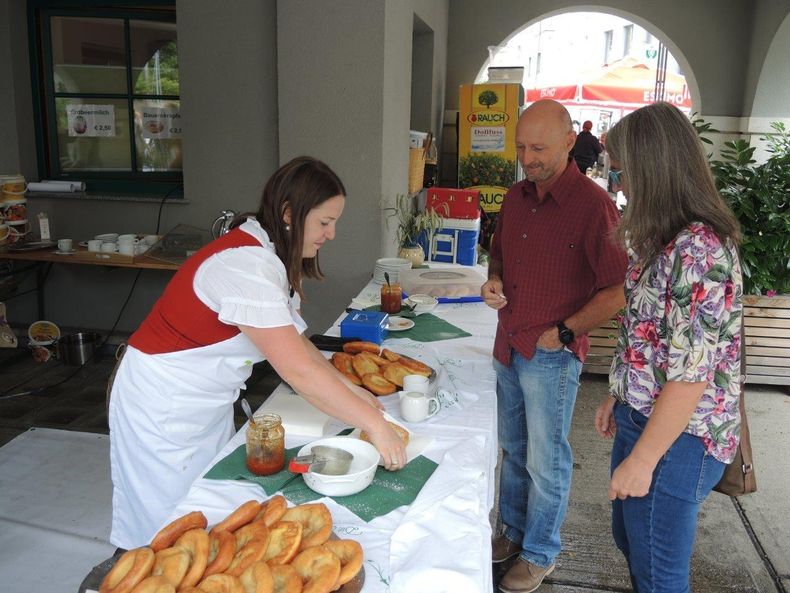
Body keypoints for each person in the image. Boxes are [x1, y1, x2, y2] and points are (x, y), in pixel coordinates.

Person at [108, 156, 407, 549]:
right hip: (162, 403)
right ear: (289, 213)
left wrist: (351, 390)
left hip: (202, 401)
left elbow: (297, 342)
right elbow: (298, 371)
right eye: (324, 222)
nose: (331, 234)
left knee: (204, 510)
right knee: (165, 525)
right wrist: (376, 426)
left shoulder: (268, 254)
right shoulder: (245, 266)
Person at [594, 102, 743, 593]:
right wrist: (619, 392)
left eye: (622, 172)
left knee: (658, 572)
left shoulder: (698, 251)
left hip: (679, 438)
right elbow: (648, 333)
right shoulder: (664, 238)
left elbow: (690, 377)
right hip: (644, 417)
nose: (619, 184)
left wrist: (643, 460)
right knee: (633, 543)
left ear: (652, 170)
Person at [481, 99, 628, 593]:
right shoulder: (515, 196)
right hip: (508, 343)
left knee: (547, 461)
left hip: (551, 355)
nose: (528, 158)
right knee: (514, 450)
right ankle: (513, 532)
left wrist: (564, 332)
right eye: (522, 147)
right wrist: (493, 280)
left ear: (569, 142)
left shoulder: (594, 206)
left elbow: (617, 289)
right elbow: (498, 256)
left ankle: (541, 551)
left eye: (539, 148)